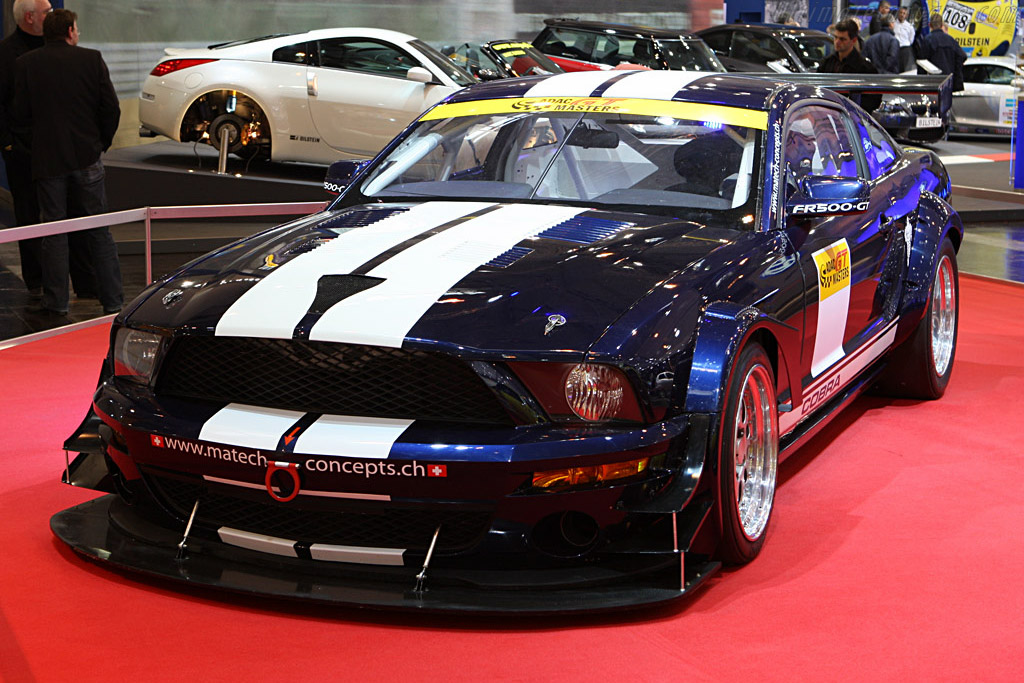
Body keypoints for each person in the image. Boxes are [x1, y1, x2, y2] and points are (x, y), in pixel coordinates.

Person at [12, 8, 122, 316]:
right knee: (99, 230)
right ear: (70, 31)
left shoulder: (26, 65)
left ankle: (56, 303)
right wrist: (100, 143)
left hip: (47, 161)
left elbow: (19, 116)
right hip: (87, 158)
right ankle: (113, 301)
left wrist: (35, 146)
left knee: (54, 233)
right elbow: (110, 109)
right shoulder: (91, 59)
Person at [919, 13, 966, 91]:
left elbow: (922, 64)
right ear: (942, 25)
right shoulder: (951, 40)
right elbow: (963, 56)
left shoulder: (927, 40)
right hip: (950, 82)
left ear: (929, 25)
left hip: (933, 83)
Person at [894, 6, 917, 72]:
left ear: (906, 15)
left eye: (904, 13)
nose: (902, 15)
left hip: (905, 50)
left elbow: (911, 40)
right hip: (895, 49)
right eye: (901, 12)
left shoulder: (910, 27)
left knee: (905, 69)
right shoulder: (893, 24)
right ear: (898, 13)